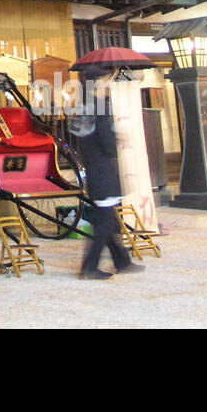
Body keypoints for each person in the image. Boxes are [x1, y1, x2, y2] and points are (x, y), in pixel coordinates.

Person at [69, 68, 144, 280]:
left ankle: (122, 261)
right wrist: (118, 137)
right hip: (104, 171)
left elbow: (83, 137)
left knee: (109, 219)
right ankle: (89, 268)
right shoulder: (99, 108)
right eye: (105, 80)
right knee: (105, 222)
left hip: (93, 168)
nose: (108, 84)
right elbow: (108, 144)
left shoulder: (82, 107)